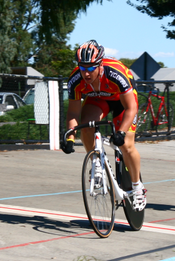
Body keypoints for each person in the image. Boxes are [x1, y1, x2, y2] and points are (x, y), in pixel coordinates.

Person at [61, 40, 146, 211]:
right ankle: (96, 165)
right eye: (83, 68)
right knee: (85, 125)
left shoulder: (115, 73)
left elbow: (131, 108)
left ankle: (138, 187)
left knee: (127, 145)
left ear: (100, 65)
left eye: (91, 68)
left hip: (122, 100)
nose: (86, 73)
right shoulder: (75, 79)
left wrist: (121, 132)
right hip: (98, 99)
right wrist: (70, 137)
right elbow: (73, 114)